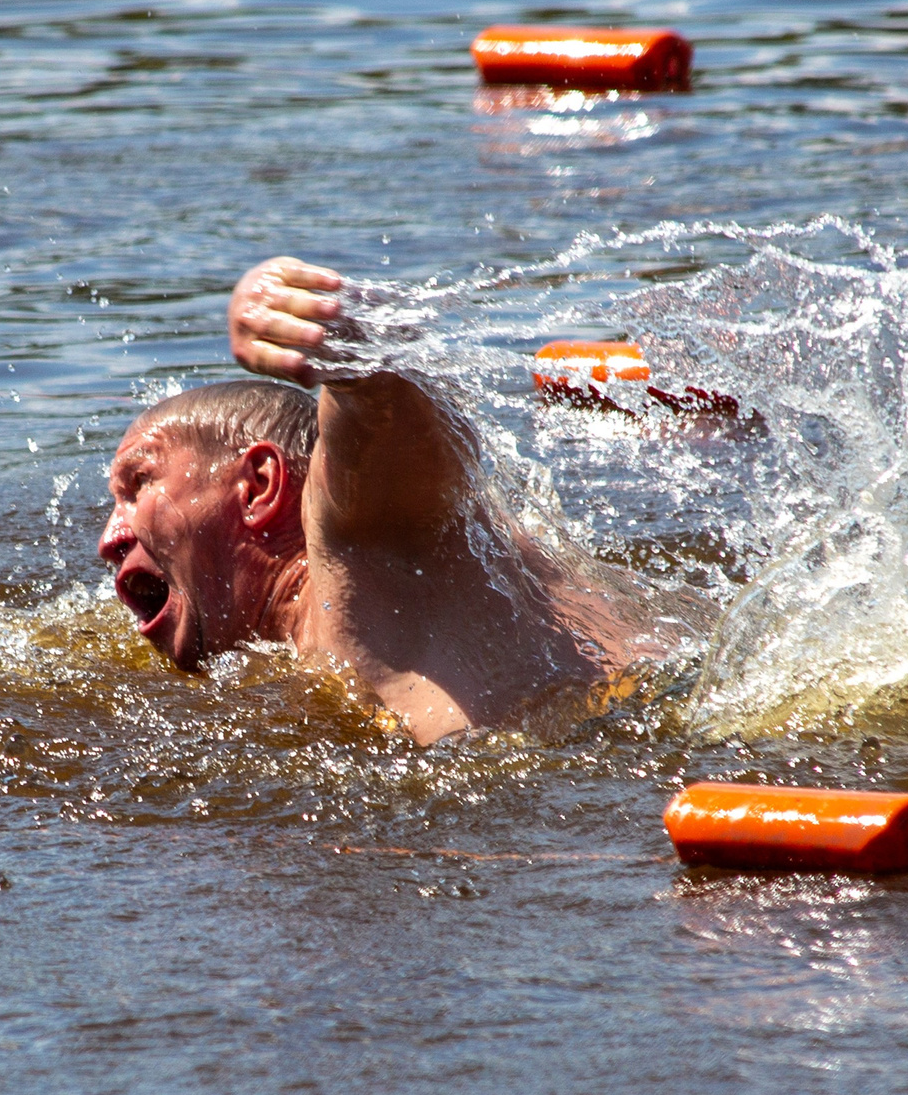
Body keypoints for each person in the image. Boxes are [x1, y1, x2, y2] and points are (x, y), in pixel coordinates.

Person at [98, 256, 685, 743]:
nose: (109, 540)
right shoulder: (307, 629)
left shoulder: (365, 549)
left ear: (258, 486)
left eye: (139, 484)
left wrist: (326, 330)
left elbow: (385, 405)